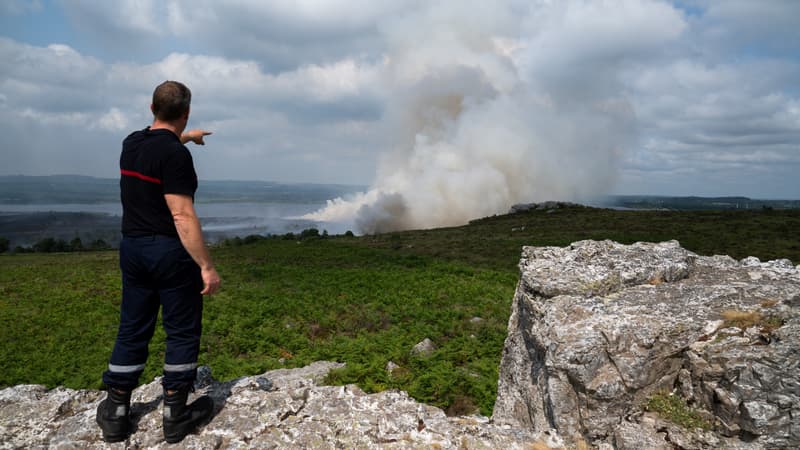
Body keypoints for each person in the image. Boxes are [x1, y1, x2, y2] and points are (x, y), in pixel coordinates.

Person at [96, 80, 221, 444]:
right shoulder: (175, 157)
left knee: (133, 326)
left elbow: (159, 146)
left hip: (132, 250)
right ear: (186, 112)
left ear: (151, 109)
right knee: (181, 330)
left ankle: (117, 412)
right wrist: (206, 266)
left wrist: (187, 136)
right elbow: (181, 215)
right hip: (168, 253)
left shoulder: (131, 144)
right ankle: (175, 414)